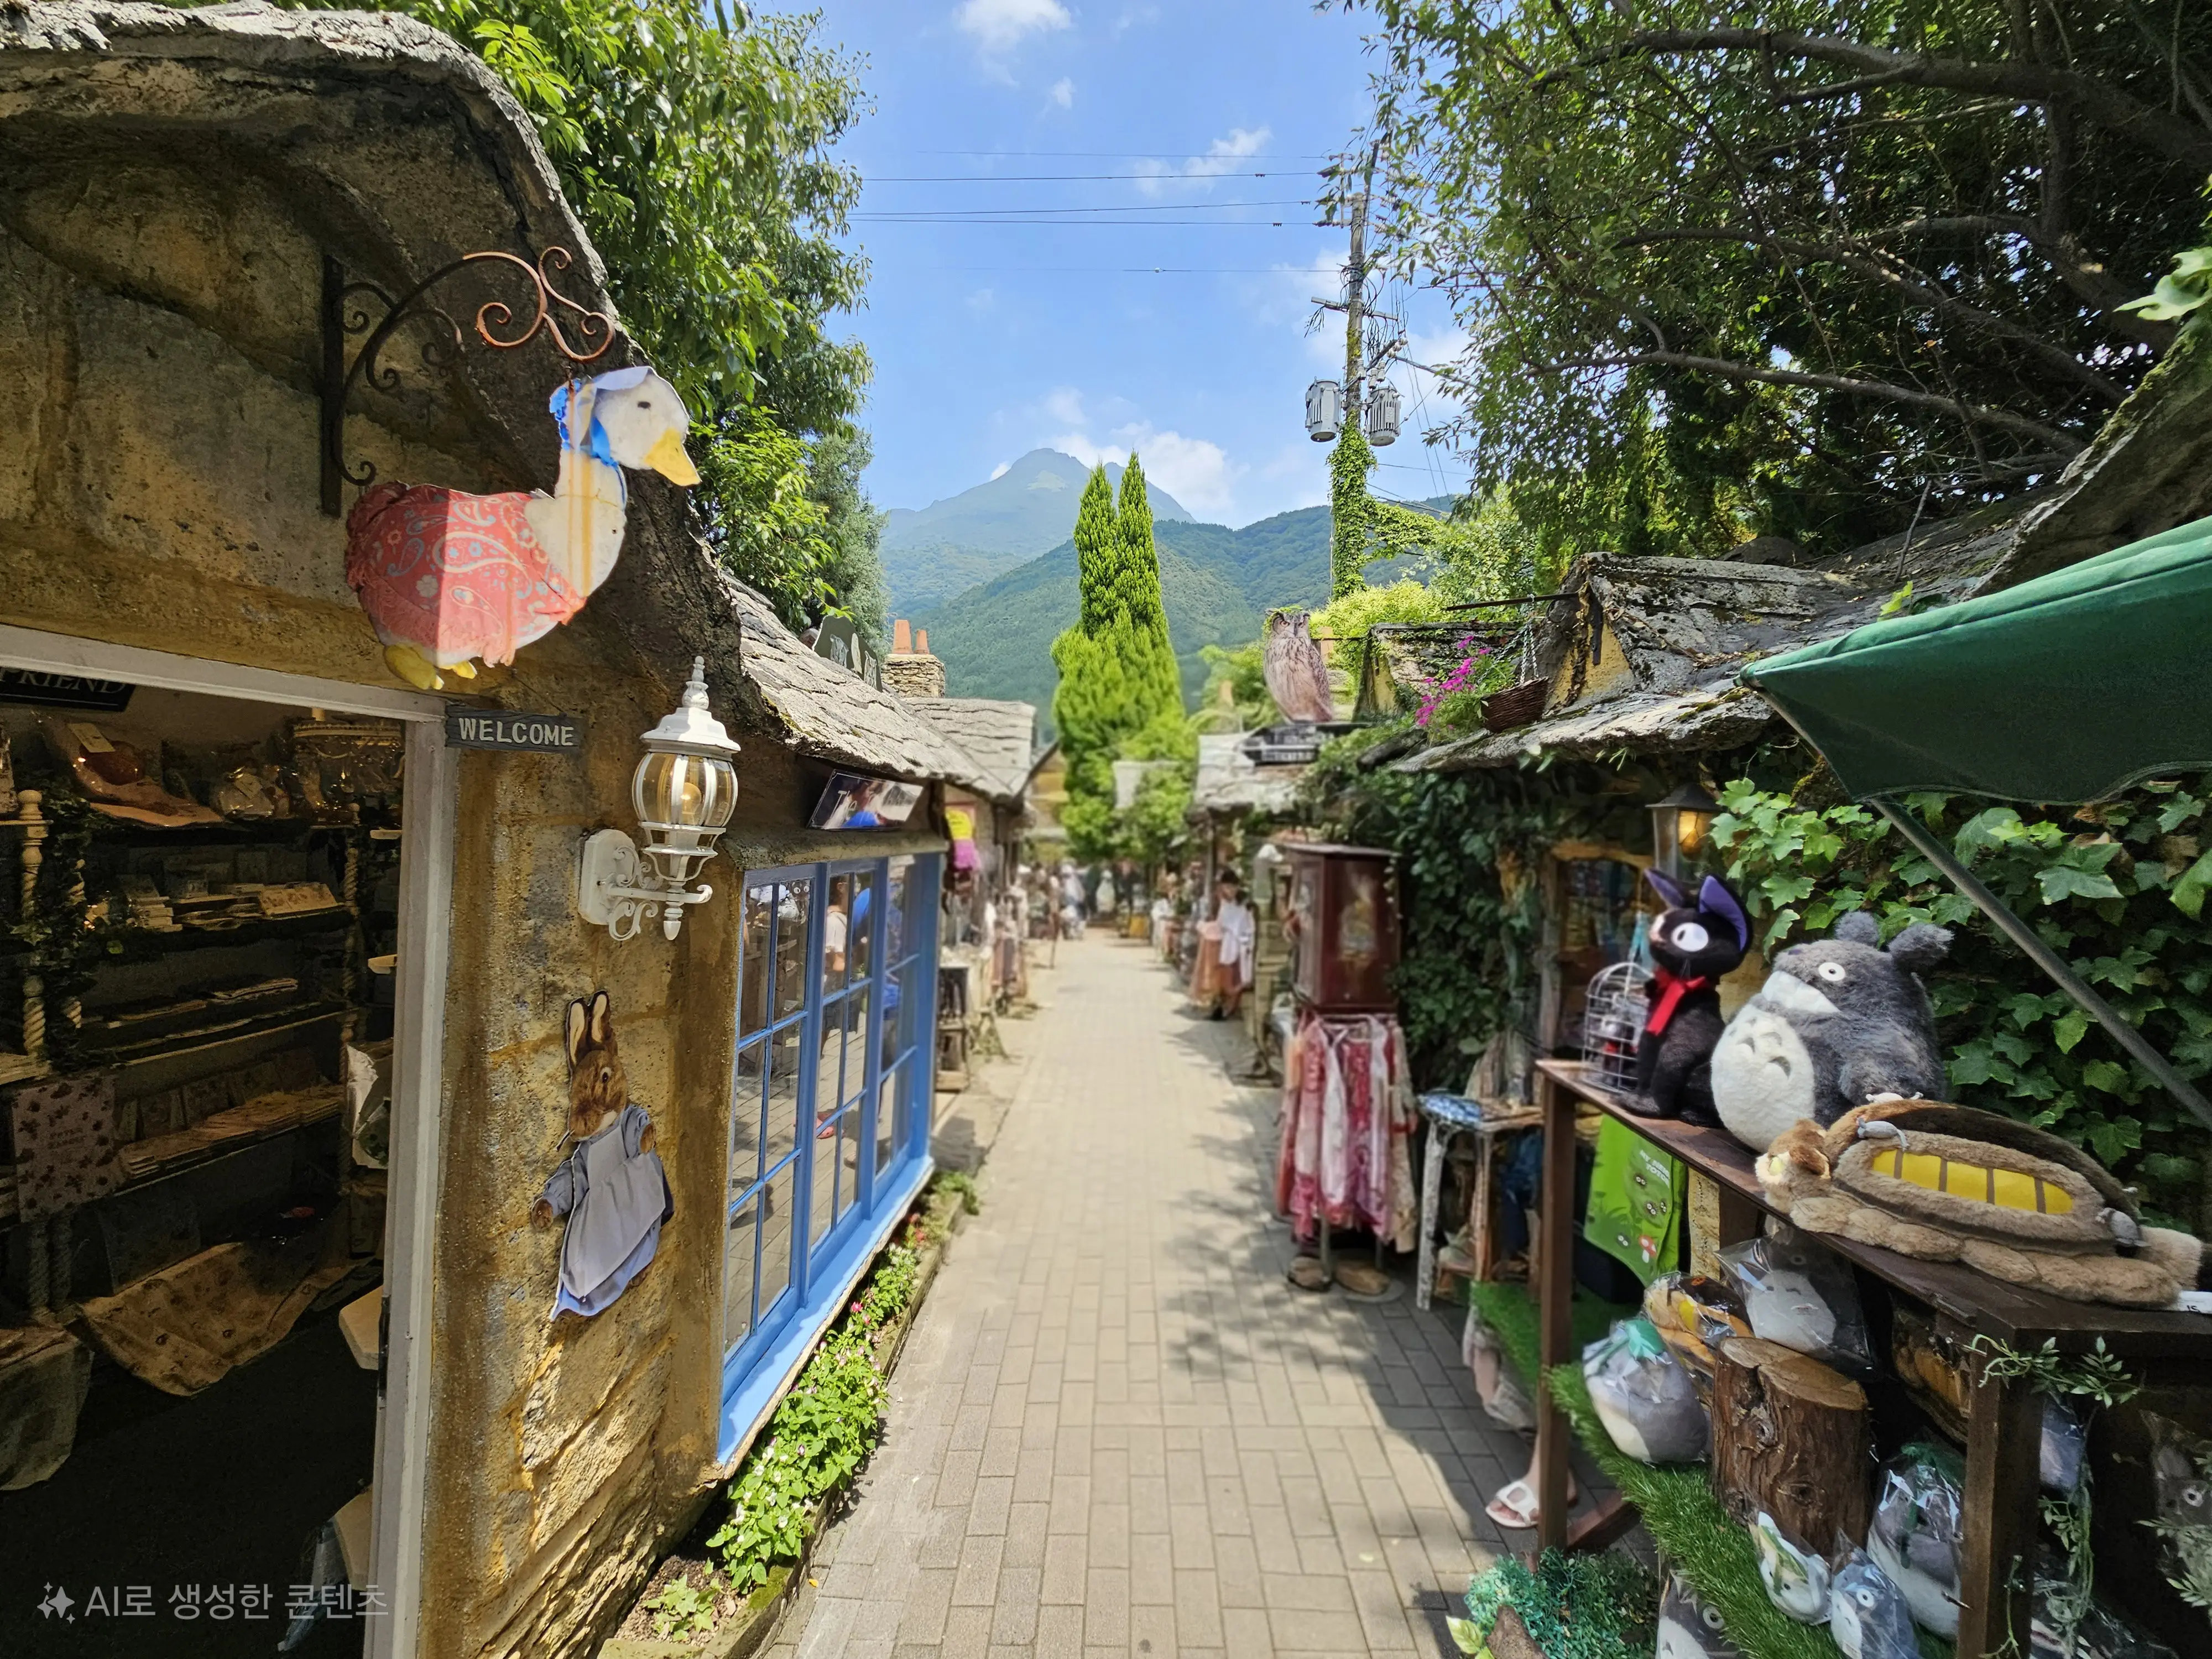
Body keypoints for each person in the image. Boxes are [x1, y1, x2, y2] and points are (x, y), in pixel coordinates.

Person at [1212, 877, 1255, 1020]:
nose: (1229, 891)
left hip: (1242, 943)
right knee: (1229, 978)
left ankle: (1231, 1006)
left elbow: (1247, 924)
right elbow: (1222, 923)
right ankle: (1228, 1007)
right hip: (1229, 944)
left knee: (1238, 977)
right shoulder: (1225, 904)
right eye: (1227, 888)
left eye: (1232, 887)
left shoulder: (1244, 903)